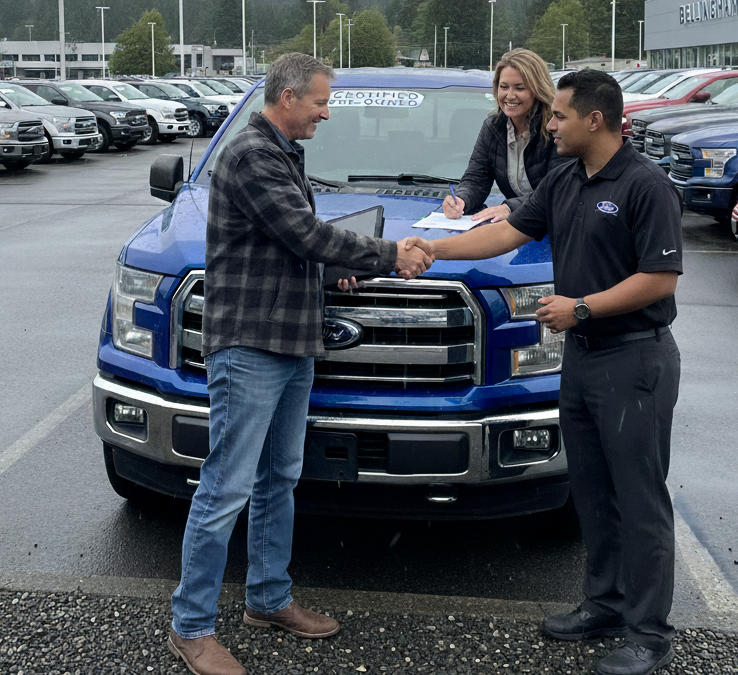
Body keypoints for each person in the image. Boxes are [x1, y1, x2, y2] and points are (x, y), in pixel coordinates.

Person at [168, 53, 432, 675]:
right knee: (226, 486)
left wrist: (336, 272)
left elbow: (293, 248)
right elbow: (305, 234)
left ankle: (268, 599)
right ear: (287, 98)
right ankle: (191, 627)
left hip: (292, 340)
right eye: (319, 101)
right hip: (251, 345)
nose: (325, 111)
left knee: (278, 477)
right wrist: (388, 253)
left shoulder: (284, 154)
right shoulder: (253, 156)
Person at [411, 69, 682, 675]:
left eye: (559, 116)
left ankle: (649, 633)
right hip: (582, 359)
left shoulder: (646, 186)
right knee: (590, 490)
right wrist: (431, 248)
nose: (548, 125)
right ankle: (604, 605)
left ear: (595, 119)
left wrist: (582, 307)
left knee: (639, 499)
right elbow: (504, 231)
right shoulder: (564, 180)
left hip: (635, 359)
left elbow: (659, 279)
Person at [443, 48, 561, 223]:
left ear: (537, 89)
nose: (510, 96)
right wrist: (460, 200)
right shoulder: (492, 127)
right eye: (503, 87)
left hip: (556, 229)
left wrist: (510, 207)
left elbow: (558, 190)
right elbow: (476, 180)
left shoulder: (556, 129)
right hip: (518, 228)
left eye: (519, 88)